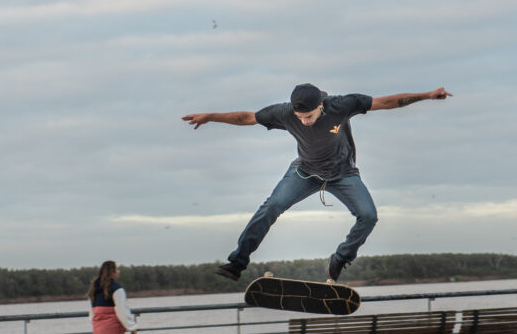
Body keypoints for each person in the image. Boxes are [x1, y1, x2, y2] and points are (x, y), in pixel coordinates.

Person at [182, 83, 452, 283]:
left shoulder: (342, 105)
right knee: (271, 206)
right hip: (305, 173)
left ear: (320, 107)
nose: (304, 122)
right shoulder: (285, 113)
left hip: (343, 174)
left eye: (309, 117)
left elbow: (388, 102)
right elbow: (247, 118)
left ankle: (340, 258)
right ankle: (237, 262)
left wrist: (427, 96)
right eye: (300, 118)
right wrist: (210, 116)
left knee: (368, 216)